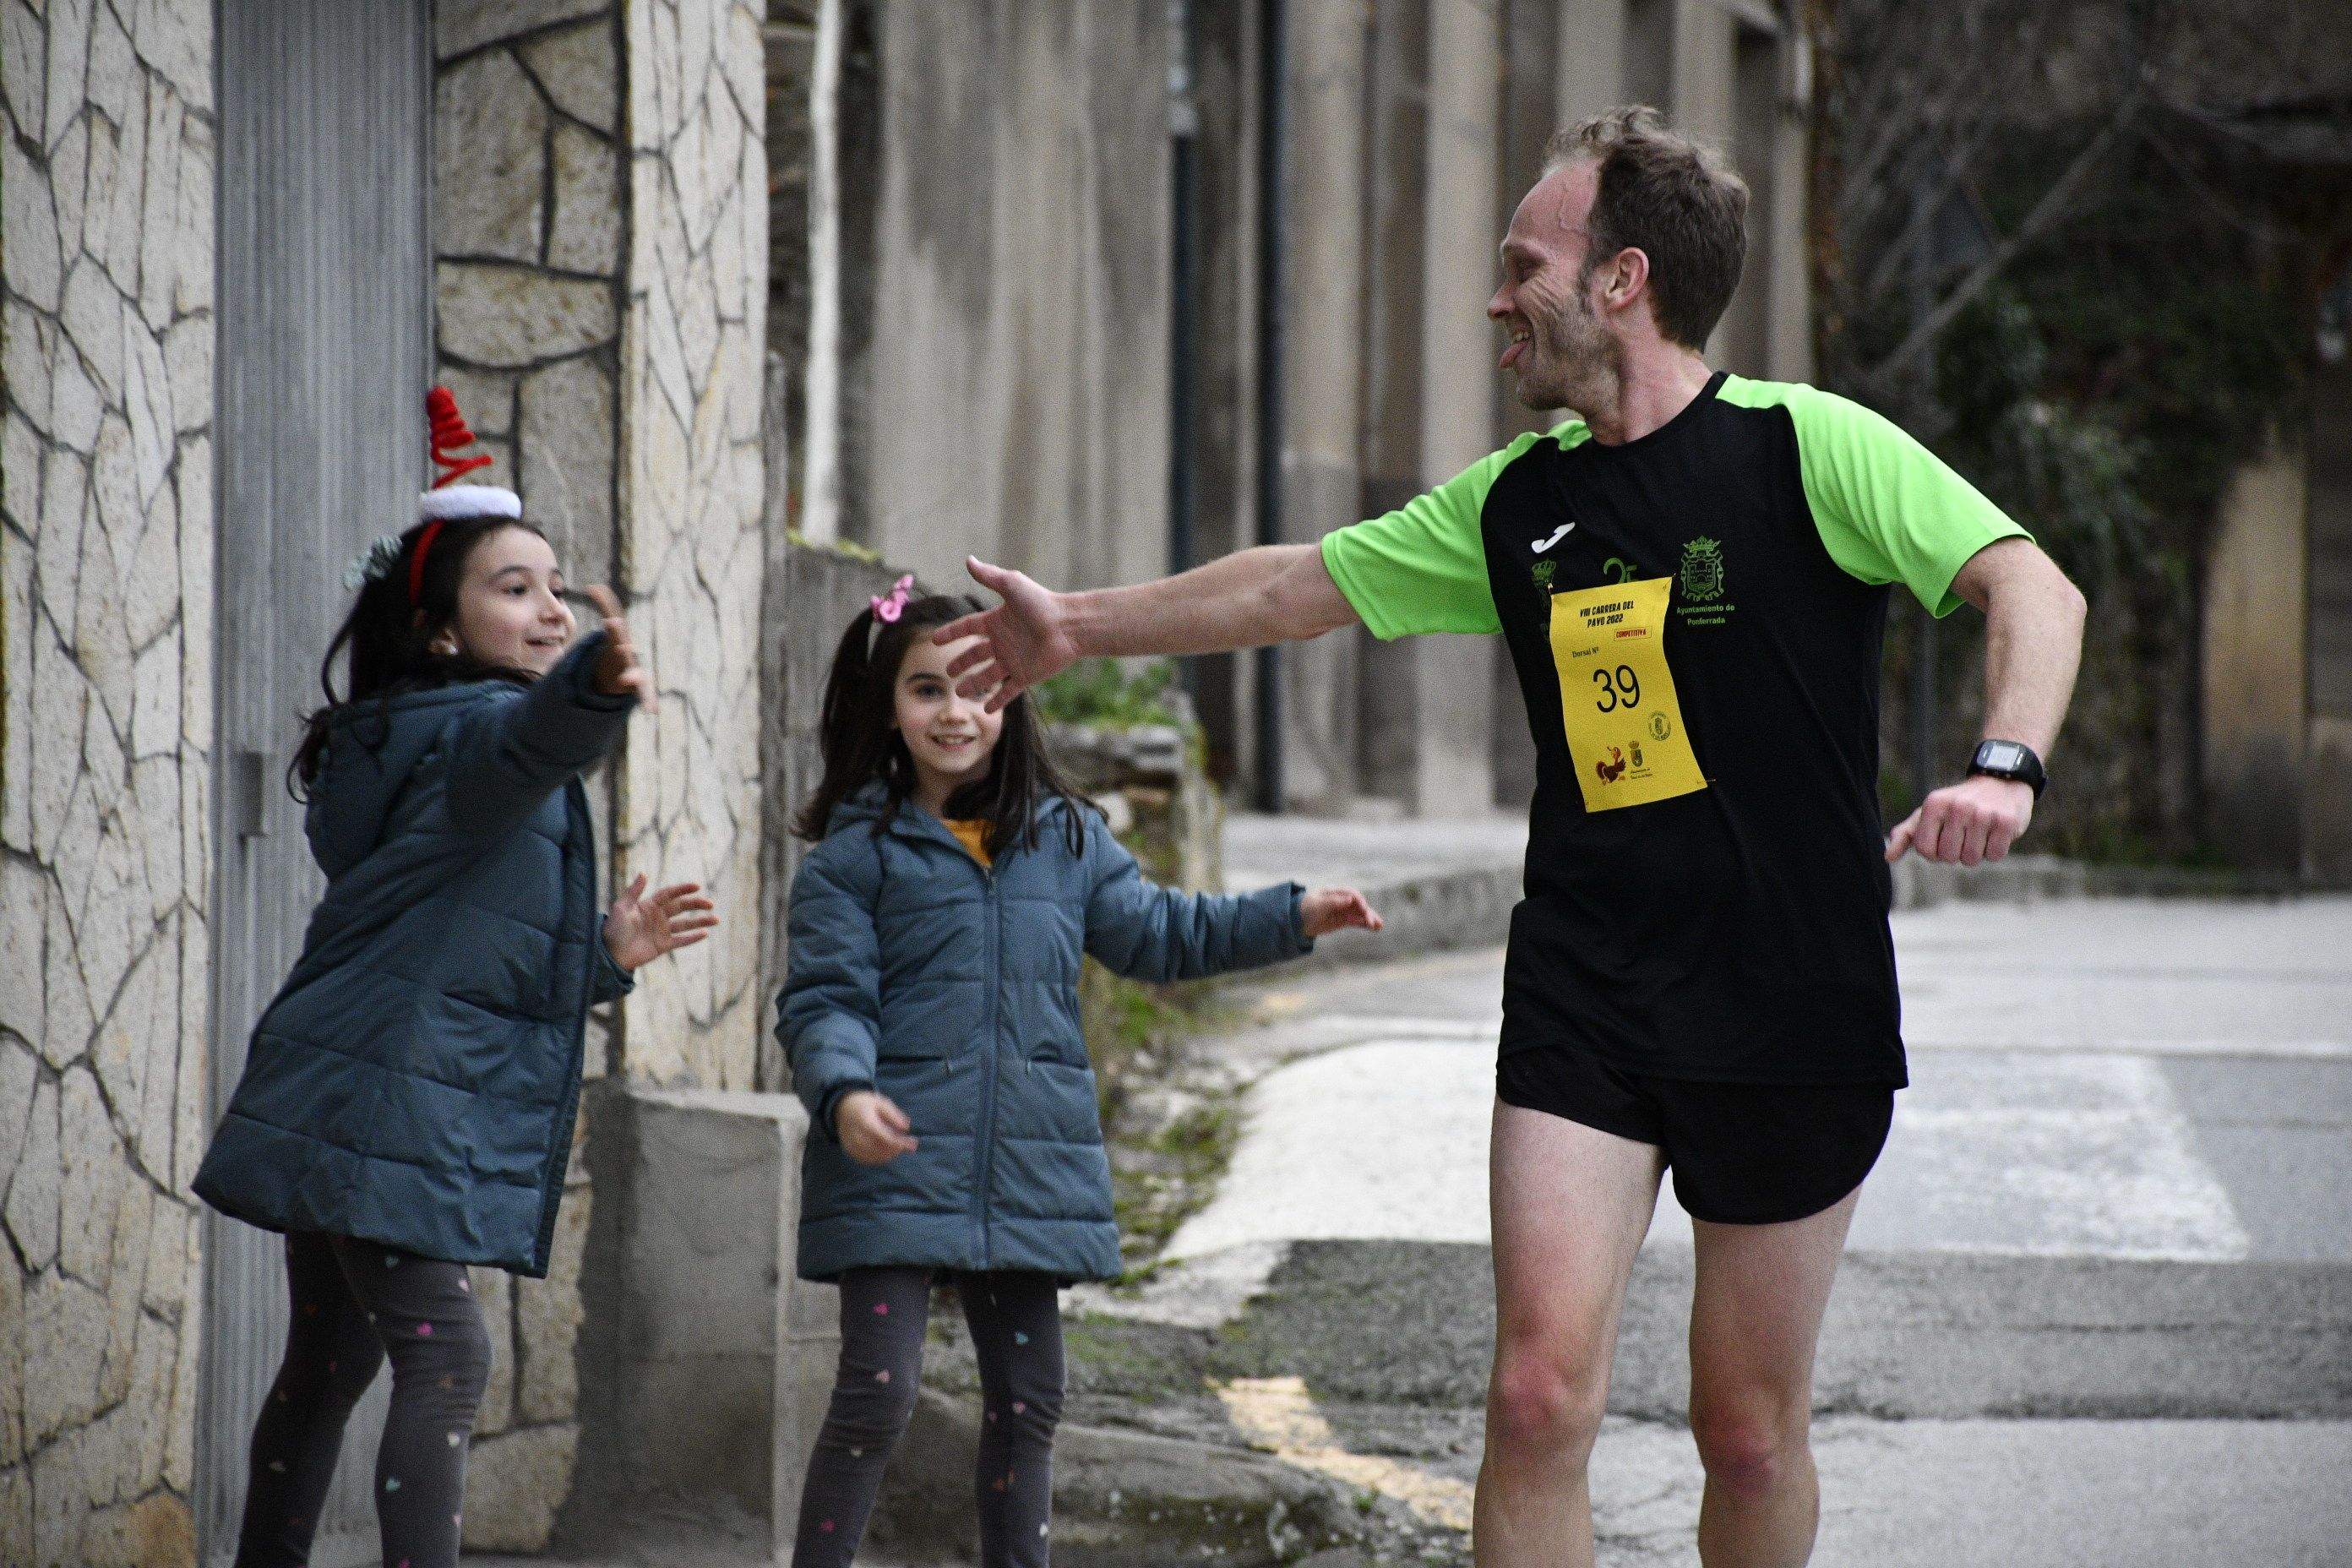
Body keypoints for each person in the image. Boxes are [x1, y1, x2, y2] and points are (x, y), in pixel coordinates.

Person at [930, 107, 2088, 1568]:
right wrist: (1076, 626)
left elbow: (2030, 589)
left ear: (1618, 280)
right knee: (1534, 1396)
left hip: (1793, 996)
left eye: (1517, 262)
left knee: (1743, 1430)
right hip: (1585, 990)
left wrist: (2002, 766)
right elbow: (1294, 587)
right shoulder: (1516, 503)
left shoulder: (1807, 448)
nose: (1492, 298)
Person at [193, 392, 716, 1568]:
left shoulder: (411, 734)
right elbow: (521, 750)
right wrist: (587, 690)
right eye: (512, 588)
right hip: (387, 1096)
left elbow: (457, 953)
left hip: (355, 1080)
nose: (546, 605)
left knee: (328, 1366)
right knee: (449, 1358)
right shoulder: (472, 740)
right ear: (441, 629)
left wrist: (605, 957)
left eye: (554, 585)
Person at [777, 580, 1384, 1565]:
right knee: (877, 1391)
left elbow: (1163, 933)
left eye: (978, 687)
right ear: (886, 706)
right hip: (890, 1160)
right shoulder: (855, 859)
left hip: (1029, 1168)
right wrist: (844, 1093)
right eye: (927, 689)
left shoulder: (1063, 837)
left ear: (1013, 697)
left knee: (1030, 1401)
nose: (956, 711)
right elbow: (823, 1003)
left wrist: (1291, 914)